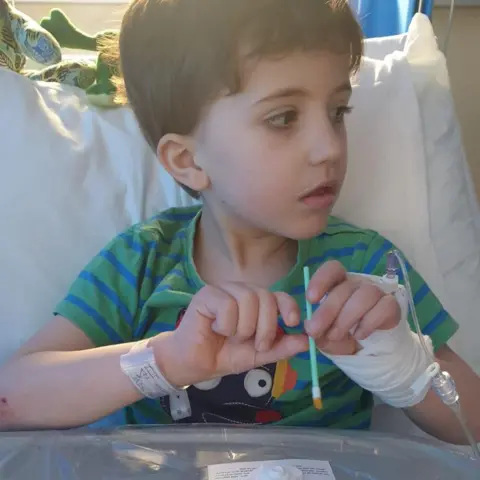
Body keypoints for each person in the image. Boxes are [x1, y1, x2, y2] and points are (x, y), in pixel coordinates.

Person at [0, 0, 478, 444]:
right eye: (283, 118)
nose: (330, 147)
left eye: (337, 112)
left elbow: (472, 424)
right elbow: (12, 399)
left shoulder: (366, 269)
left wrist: (402, 365)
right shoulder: (142, 263)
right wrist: (163, 361)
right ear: (187, 161)